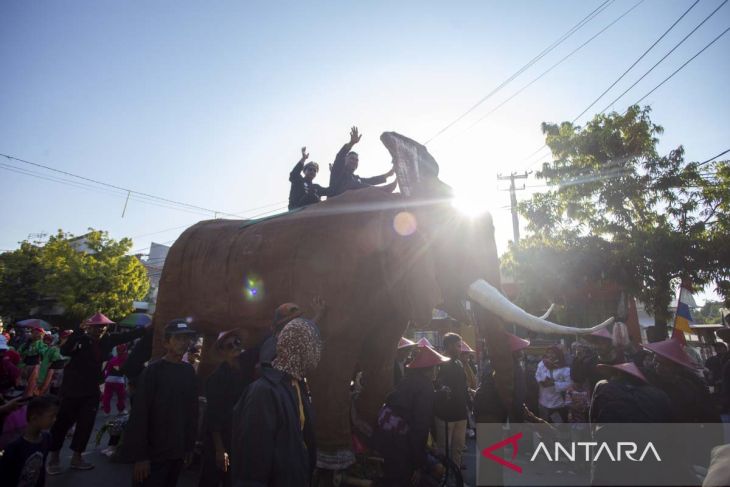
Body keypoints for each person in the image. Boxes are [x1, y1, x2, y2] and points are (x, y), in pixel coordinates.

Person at [47, 312, 148, 474]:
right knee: (62, 424)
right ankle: (54, 458)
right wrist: (77, 332)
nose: (99, 330)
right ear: (89, 327)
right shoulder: (80, 339)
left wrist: (147, 328)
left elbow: (128, 336)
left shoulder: (107, 340)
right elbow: (65, 351)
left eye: (103, 327)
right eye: (96, 327)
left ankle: (77, 457)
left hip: (92, 391)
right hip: (71, 390)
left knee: (86, 425)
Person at [231, 318, 321, 486]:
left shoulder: (297, 388)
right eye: (315, 345)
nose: (318, 353)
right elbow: (252, 466)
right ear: (301, 347)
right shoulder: (264, 392)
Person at [123, 319, 199, 487]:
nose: (184, 342)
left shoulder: (189, 372)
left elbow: (192, 413)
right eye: (178, 338)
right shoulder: (153, 371)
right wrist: (140, 456)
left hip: (177, 453)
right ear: (166, 342)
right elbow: (140, 414)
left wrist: (189, 447)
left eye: (186, 338)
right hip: (153, 455)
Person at [374, 345, 449, 486]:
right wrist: (418, 465)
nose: (438, 371)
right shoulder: (425, 387)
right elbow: (419, 428)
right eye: (436, 367)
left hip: (385, 438)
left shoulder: (408, 380)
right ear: (430, 369)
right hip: (400, 444)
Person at [199, 330, 246, 487]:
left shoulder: (243, 372)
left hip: (237, 439)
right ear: (222, 351)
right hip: (219, 441)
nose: (234, 347)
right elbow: (213, 416)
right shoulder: (217, 378)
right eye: (229, 345)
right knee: (210, 479)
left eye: (237, 343)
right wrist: (219, 449)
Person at [0, 395, 59, 487]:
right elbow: (5, 477)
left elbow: (41, 469)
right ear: (34, 418)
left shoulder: (47, 438)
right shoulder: (14, 447)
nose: (55, 419)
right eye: (51, 416)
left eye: (56, 416)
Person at [434, 333, 469, 471]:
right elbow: (437, 385)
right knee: (444, 450)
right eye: (458, 346)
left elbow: (463, 386)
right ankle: (443, 478)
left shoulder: (459, 363)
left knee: (458, 449)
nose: (460, 349)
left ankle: (456, 478)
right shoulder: (439, 363)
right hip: (445, 416)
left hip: (461, 414)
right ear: (449, 346)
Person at [328, 126, 395, 197]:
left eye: (356, 160)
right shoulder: (337, 172)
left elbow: (371, 180)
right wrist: (351, 143)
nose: (354, 161)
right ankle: (380, 189)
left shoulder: (356, 178)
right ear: (345, 160)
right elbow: (340, 156)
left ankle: (380, 190)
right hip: (335, 206)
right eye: (351, 158)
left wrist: (388, 174)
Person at [535, 345, 572, 422]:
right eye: (548, 353)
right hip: (543, 401)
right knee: (545, 427)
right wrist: (541, 381)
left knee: (559, 427)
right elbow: (537, 375)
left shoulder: (565, 368)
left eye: (553, 353)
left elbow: (569, 383)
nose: (550, 355)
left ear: (558, 354)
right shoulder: (542, 364)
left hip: (558, 403)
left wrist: (554, 384)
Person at [101, 344, 129, 415]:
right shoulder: (125, 359)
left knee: (107, 395)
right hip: (119, 380)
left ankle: (106, 411)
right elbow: (121, 369)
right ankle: (121, 410)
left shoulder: (113, 359)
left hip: (109, 379)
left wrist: (105, 378)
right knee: (120, 396)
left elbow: (108, 370)